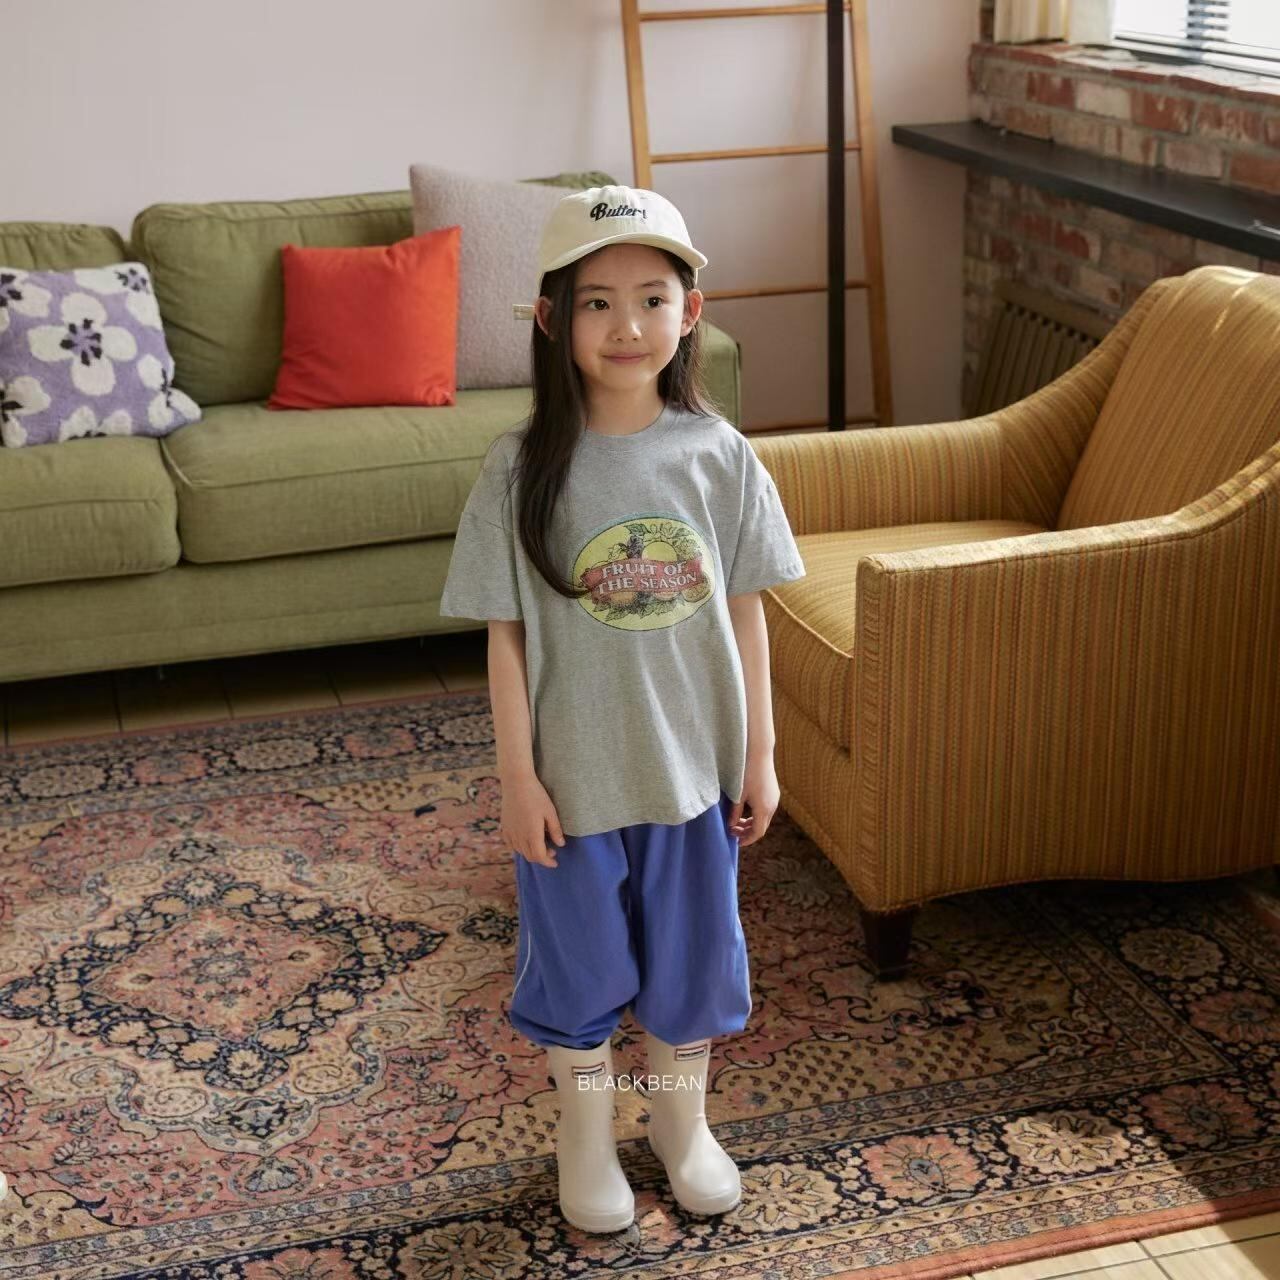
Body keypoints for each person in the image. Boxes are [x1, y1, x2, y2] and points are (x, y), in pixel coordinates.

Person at [439, 184, 806, 1233]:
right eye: (596, 302)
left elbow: (748, 616)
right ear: (551, 318)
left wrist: (760, 756)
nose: (627, 325)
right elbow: (505, 636)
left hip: (693, 779)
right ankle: (587, 1133)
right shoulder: (518, 468)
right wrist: (518, 778)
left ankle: (681, 1126)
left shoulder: (719, 455)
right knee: (582, 972)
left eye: (651, 297)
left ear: (691, 312)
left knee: (692, 969)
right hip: (574, 787)